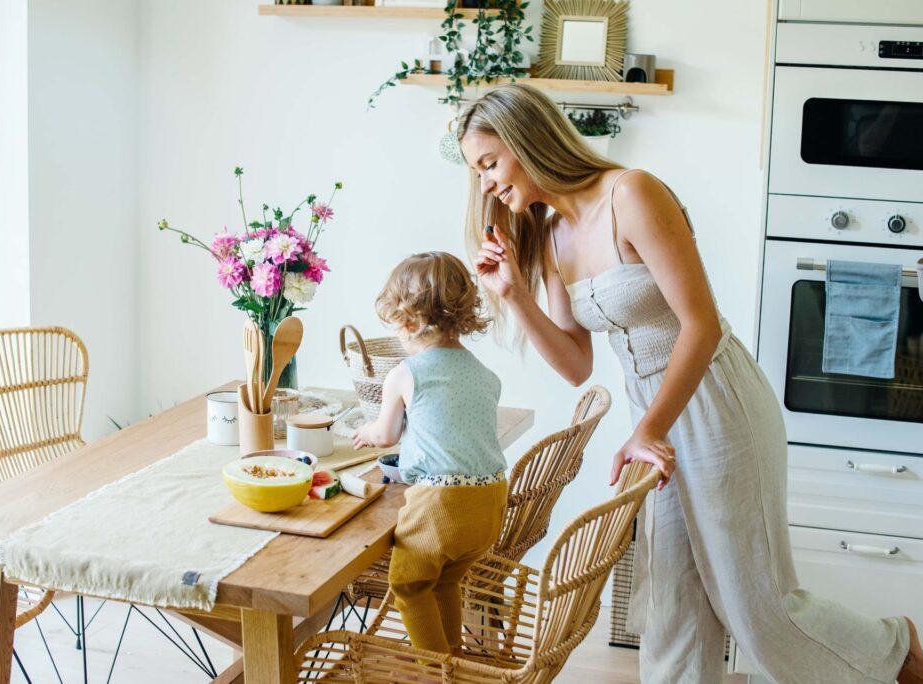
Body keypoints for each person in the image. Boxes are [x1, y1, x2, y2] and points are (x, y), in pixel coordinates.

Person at [459, 82, 920, 683]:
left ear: (527, 139)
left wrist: (648, 429)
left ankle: (897, 652)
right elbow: (576, 364)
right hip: (654, 423)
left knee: (758, 609)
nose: (487, 183)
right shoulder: (549, 239)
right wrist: (516, 296)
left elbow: (700, 326)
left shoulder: (633, 193)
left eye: (490, 163)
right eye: (477, 172)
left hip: (717, 403)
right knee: (672, 605)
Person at [353, 251, 508, 657]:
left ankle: (434, 674)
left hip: (443, 506)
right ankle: (450, 662)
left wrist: (364, 432)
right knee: (443, 583)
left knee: (408, 585)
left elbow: (386, 435)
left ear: (406, 321)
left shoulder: (406, 373)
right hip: (490, 502)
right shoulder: (483, 373)